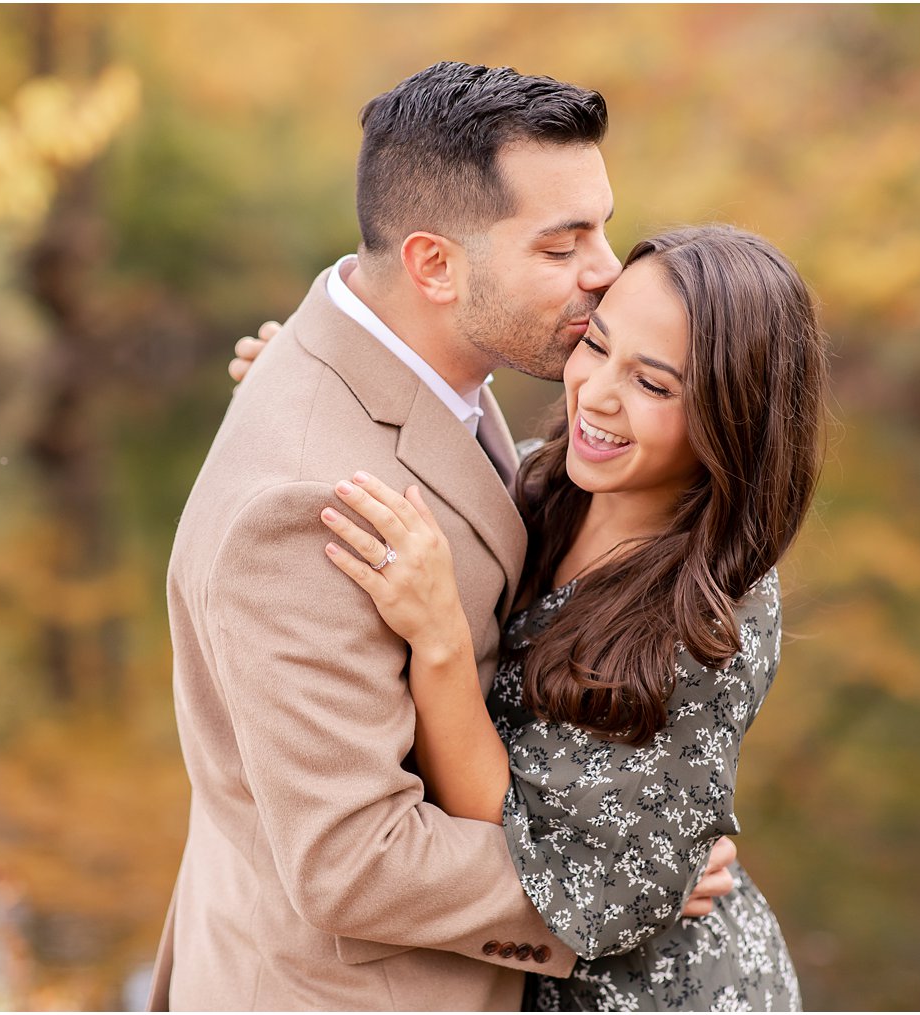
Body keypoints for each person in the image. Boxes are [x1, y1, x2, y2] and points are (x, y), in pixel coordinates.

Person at [148, 62, 737, 1012]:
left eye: (602, 224)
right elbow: (354, 860)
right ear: (432, 263)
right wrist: (624, 888)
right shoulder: (307, 510)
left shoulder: (401, 360)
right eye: (562, 244)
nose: (606, 268)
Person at [304, 224, 827, 1009]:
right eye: (596, 345)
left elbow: (539, 848)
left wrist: (441, 637)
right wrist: (298, 381)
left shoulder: (712, 620)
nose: (598, 395)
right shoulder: (549, 481)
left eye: (653, 385)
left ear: (734, 421)